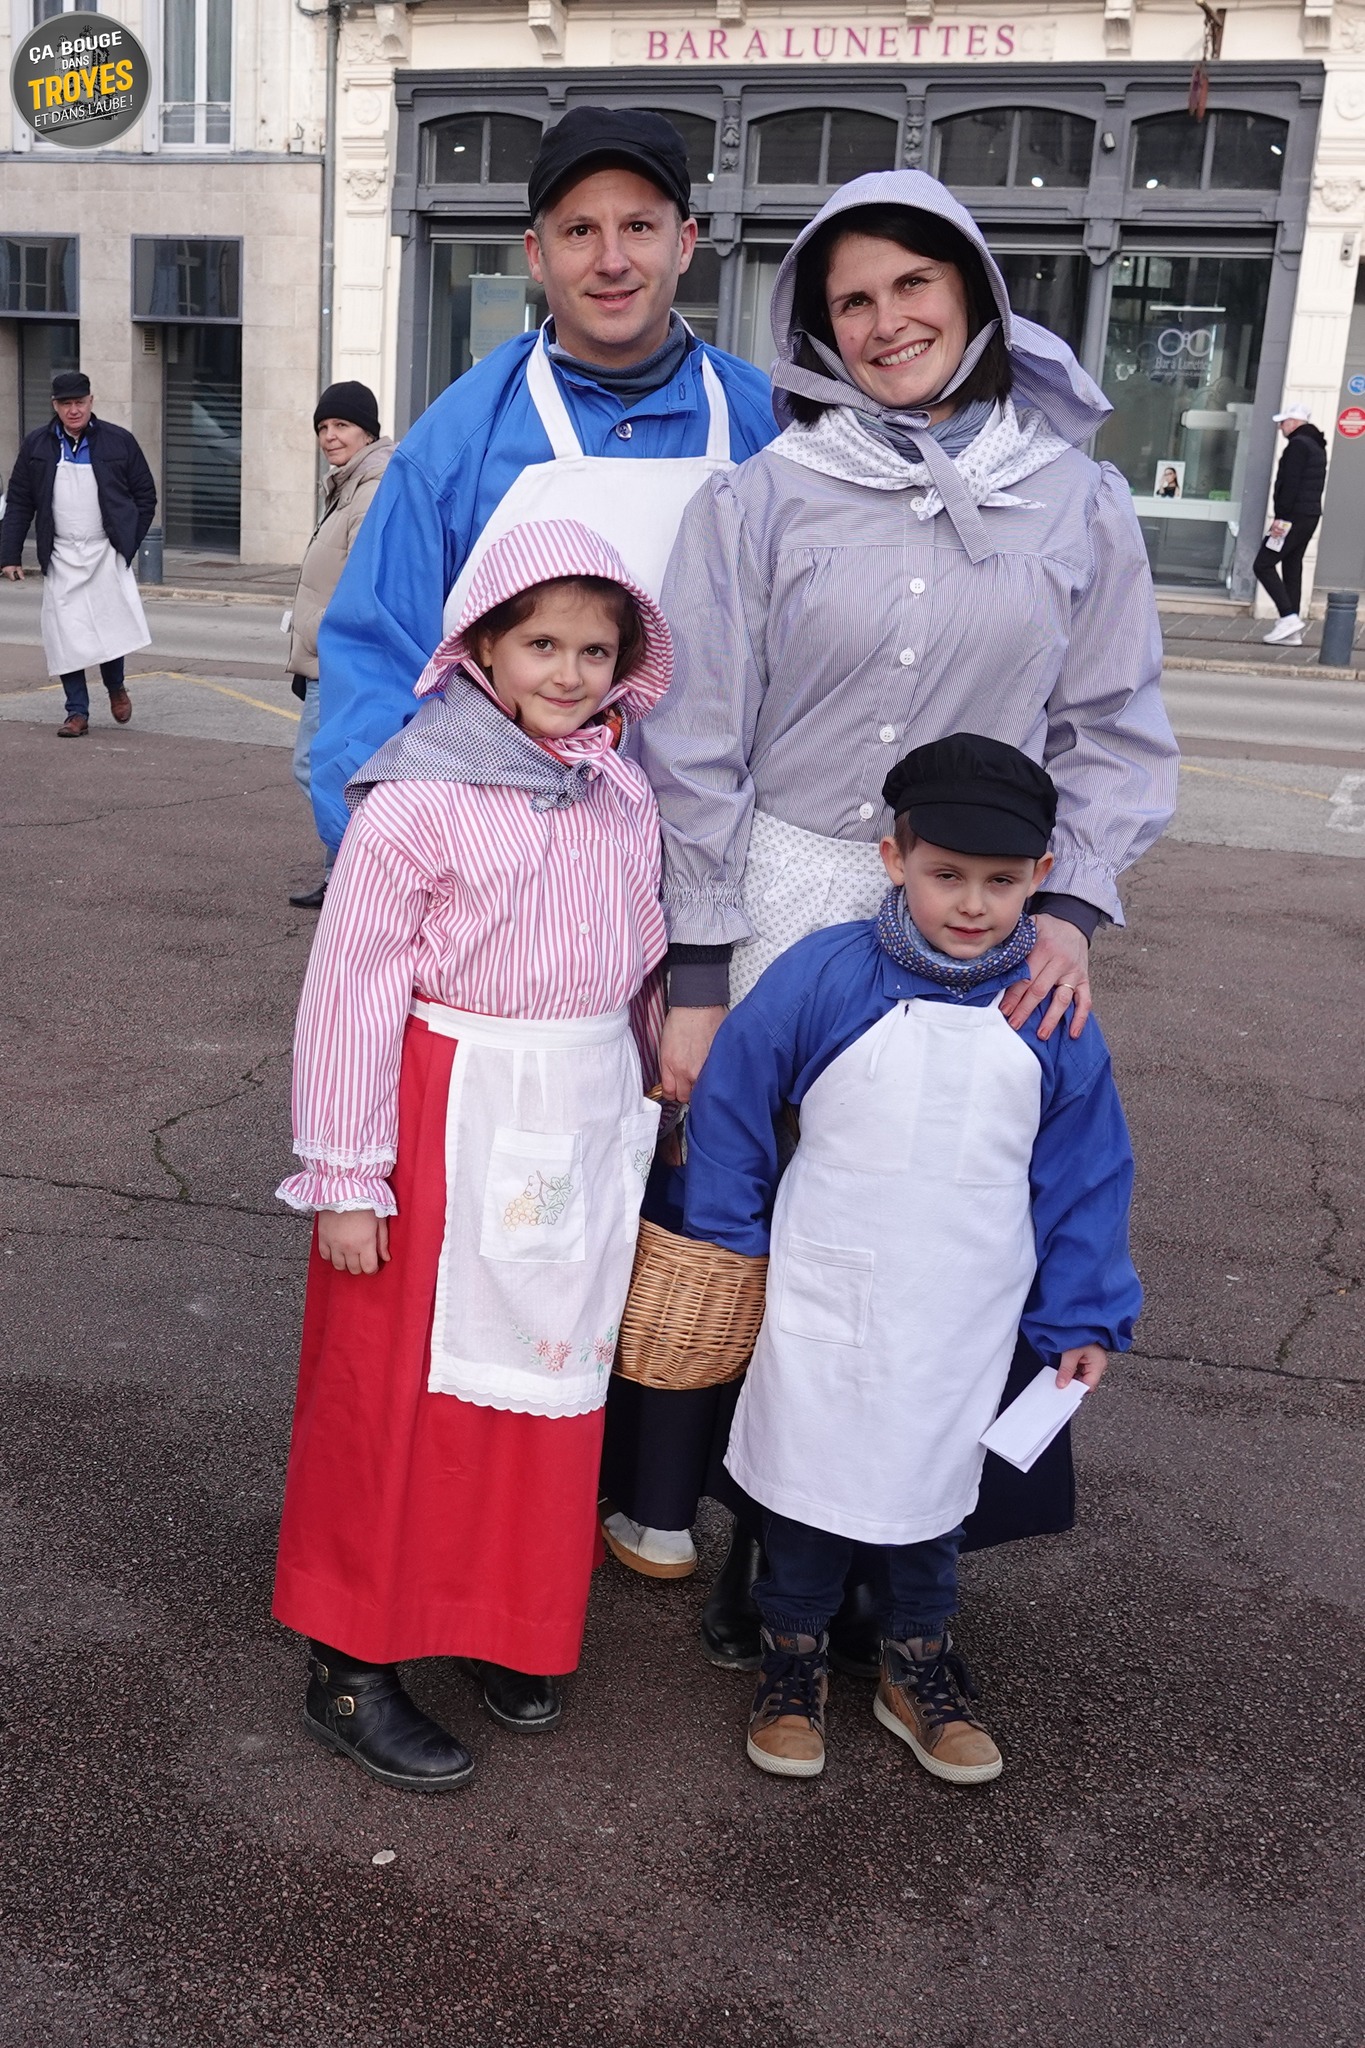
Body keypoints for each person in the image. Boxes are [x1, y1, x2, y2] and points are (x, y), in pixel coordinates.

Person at [603, 168, 1177, 1667]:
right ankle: (770, 1540)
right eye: (850, 300)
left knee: (950, 1237)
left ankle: (908, 1556)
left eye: (912, 285)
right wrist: (700, 967)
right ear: (818, 330)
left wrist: (1071, 908)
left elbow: (1111, 727)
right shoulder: (762, 498)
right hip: (793, 899)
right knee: (776, 1230)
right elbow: (697, 742)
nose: (884, 322)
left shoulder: (1077, 502)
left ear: (975, 294)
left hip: (983, 918)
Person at [272, 519, 672, 1790]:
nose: (569, 672)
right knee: (394, 1388)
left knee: (545, 1373)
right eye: (542, 643)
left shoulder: (619, 788)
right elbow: (349, 991)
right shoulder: (417, 799)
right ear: (484, 648)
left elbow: (643, 953)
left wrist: (658, 1073)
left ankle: (504, 1615)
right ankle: (351, 1658)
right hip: (446, 1114)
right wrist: (348, 1174)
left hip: (578, 1108)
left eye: (595, 650)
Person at [680, 734, 1141, 1782]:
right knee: (808, 1473)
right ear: (895, 859)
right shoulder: (824, 973)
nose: (972, 903)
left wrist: (1085, 1311)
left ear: (1041, 876)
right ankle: (791, 1655)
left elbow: (1088, 1170)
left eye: (1002, 882)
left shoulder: (1052, 1010)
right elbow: (737, 1096)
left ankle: (916, 1659)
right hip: (827, 1285)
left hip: (965, 1302)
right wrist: (729, 1235)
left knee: (936, 1482)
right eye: (946, 874)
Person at [308, 106, 776, 860]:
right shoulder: (459, 437)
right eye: (579, 230)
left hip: (719, 859)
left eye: (639, 227)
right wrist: (382, 853)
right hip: (511, 867)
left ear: (685, 242)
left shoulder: (768, 426)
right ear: (536, 253)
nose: (612, 260)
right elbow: (377, 658)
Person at [285, 382, 394, 908]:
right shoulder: (348, 483)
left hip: (339, 656)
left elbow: (360, 582)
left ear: (367, 432)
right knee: (333, 768)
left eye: (342, 425)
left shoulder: (370, 487)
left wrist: (326, 636)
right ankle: (344, 876)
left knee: (317, 767)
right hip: (327, 654)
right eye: (323, 427)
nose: (330, 436)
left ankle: (368, 871)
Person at [0, 370, 156, 737]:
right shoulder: (36, 445)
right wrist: (8, 554)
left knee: (109, 627)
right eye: (66, 404)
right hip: (60, 553)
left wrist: (127, 542)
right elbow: (19, 501)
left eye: (80, 403)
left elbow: (145, 496)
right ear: (54, 406)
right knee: (65, 635)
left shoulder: (119, 441)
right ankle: (76, 712)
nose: (74, 410)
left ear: (91, 402)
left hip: (105, 550)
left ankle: (116, 687)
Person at [1254, 403, 1328, 647]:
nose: (1280, 427)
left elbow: (1290, 484)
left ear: (1295, 422)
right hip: (1309, 515)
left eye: (1283, 422)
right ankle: (1292, 630)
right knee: (1292, 566)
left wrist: (1280, 517)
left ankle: (1288, 617)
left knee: (1263, 564)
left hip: (1292, 516)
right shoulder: (1316, 446)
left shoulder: (1297, 446)